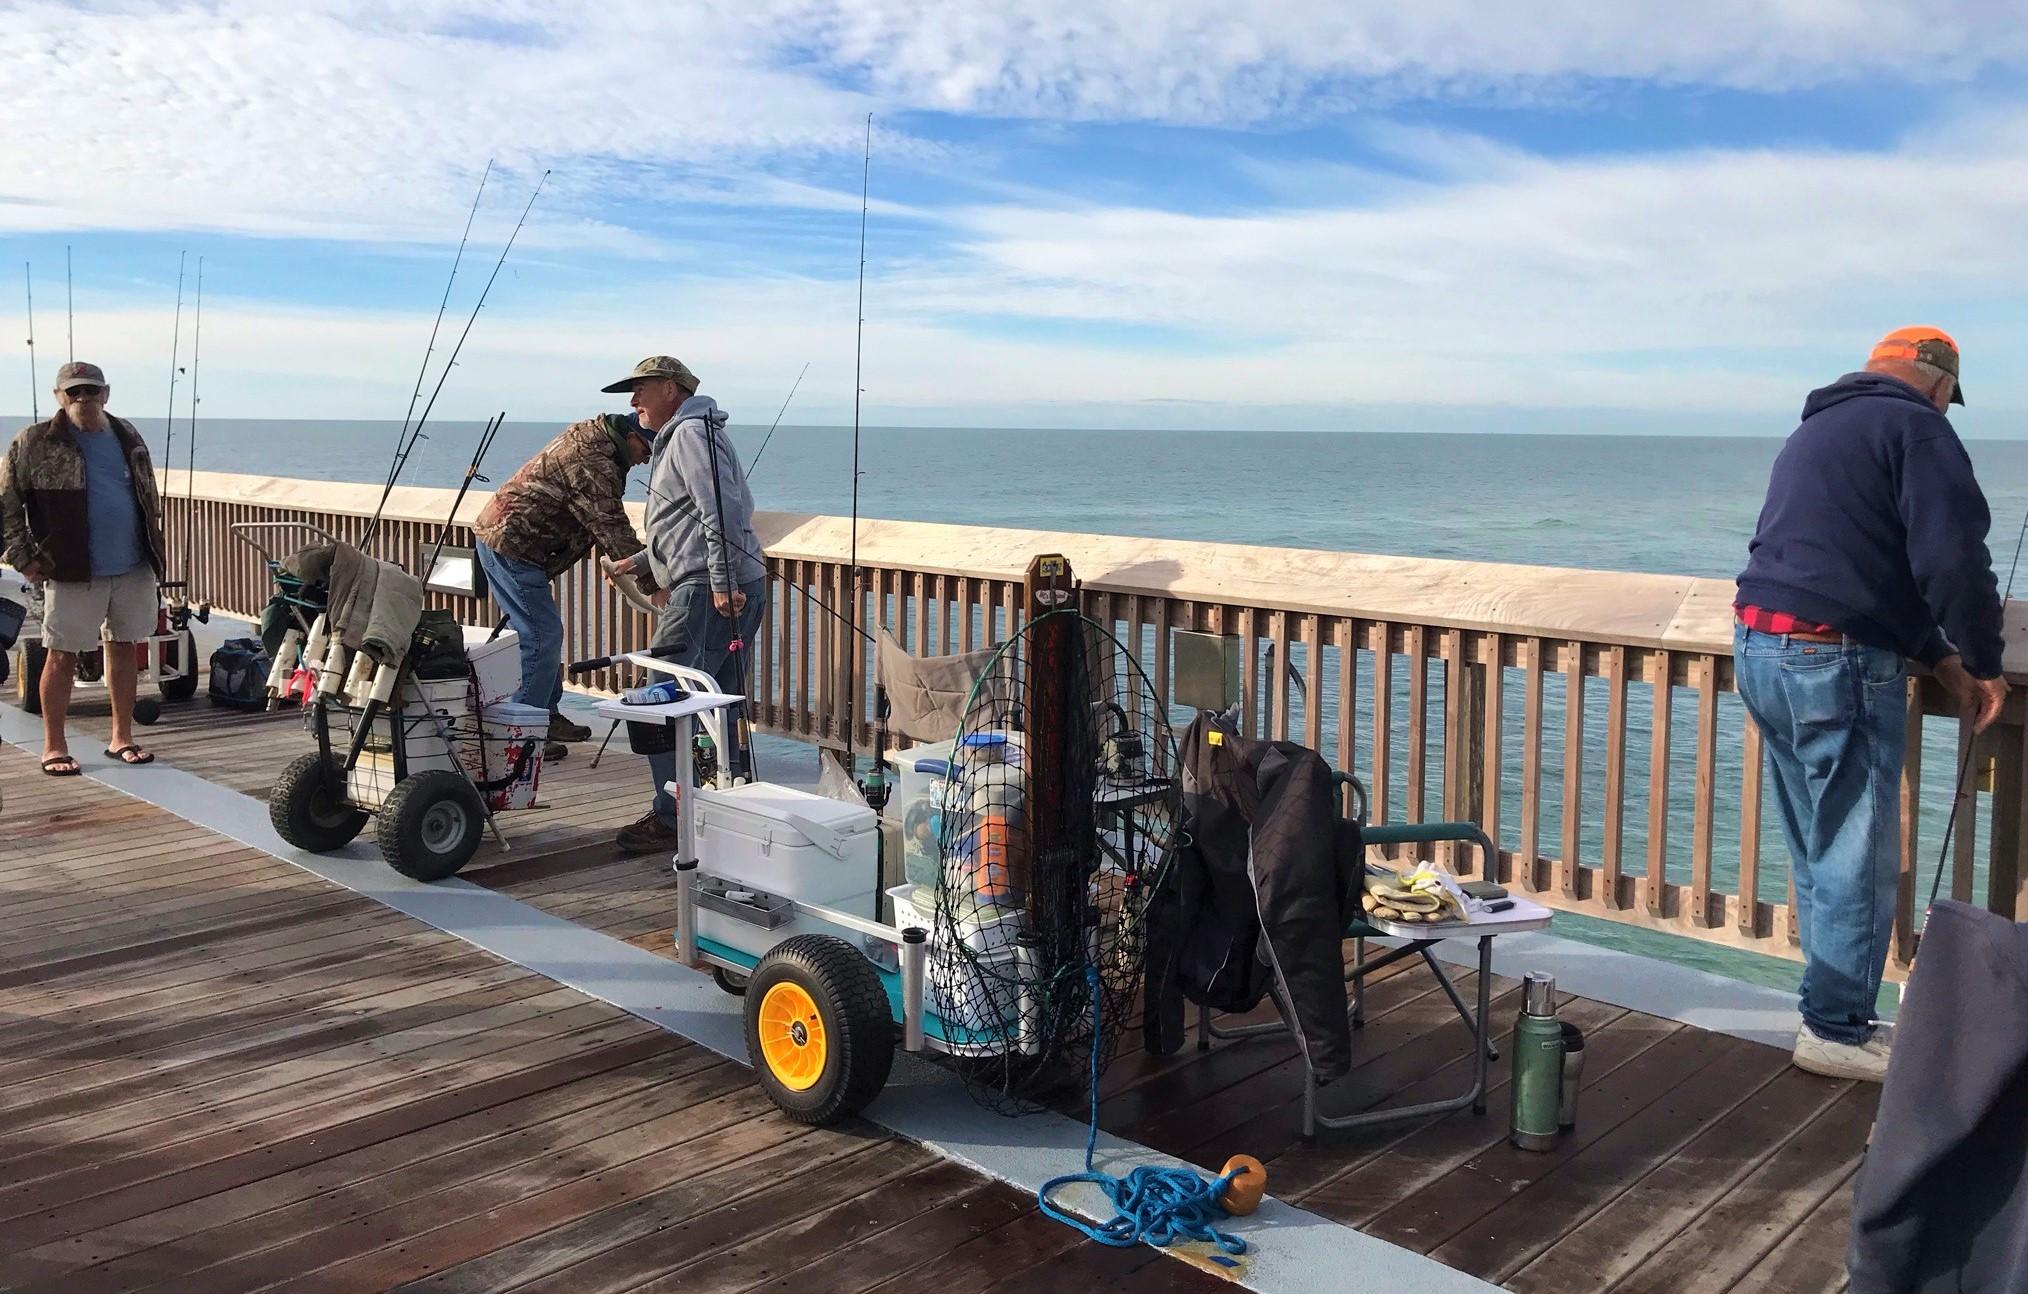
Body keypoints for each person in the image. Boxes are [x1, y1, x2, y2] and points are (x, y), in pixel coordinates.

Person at [1734, 326, 2008, 1083]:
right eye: (1952, 398)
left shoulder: (1820, 427)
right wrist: (1984, 662)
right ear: (1938, 382)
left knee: (1821, 846)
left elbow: (1864, 557)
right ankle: (1836, 1028)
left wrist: (1940, 656)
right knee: (1858, 851)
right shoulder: (1919, 428)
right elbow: (1950, 558)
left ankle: (1831, 1010)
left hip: (1760, 648)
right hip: (1835, 658)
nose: (1949, 410)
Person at [604, 356, 768, 855]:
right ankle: (727, 808)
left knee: (661, 698)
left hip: (708, 590)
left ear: (671, 389)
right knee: (720, 698)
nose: (634, 404)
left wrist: (721, 581)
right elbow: (687, 521)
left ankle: (673, 816)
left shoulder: (692, 434)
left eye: (641, 391)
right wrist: (642, 559)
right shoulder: (687, 435)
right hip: (716, 582)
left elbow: (721, 510)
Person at [471, 384, 661, 759]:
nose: (644, 461)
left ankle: (545, 715)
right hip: (514, 545)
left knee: (534, 635)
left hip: (508, 540)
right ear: (632, 437)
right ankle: (519, 736)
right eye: (645, 451)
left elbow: (590, 517)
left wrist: (618, 564)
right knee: (540, 636)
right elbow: (608, 522)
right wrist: (650, 581)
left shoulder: (599, 442)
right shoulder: (595, 459)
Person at [0, 362, 167, 775]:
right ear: (59, 397)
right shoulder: (35, 441)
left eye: (91, 391)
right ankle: (54, 746)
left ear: (105, 394)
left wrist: (154, 547)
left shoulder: (127, 434)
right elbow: (6, 503)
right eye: (73, 392)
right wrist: (23, 557)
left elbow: (145, 492)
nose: (83, 399)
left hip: (131, 565)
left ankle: (121, 737)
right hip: (71, 568)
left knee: (125, 648)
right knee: (61, 655)